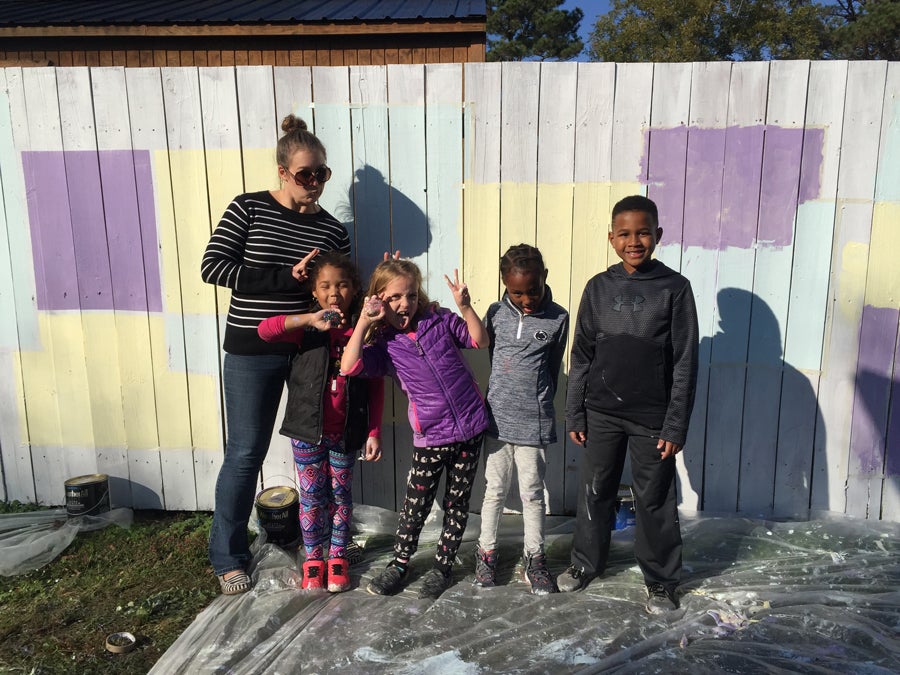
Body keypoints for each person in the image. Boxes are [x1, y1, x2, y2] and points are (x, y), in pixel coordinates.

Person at [201, 115, 350, 595]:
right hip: (253, 347)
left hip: (311, 353)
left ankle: (324, 546)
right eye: (306, 173)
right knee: (246, 453)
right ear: (283, 171)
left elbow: (338, 292)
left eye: (322, 173)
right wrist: (285, 278)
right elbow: (213, 267)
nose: (315, 182)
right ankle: (228, 557)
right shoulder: (248, 208)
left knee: (321, 449)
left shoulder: (332, 231)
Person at [557, 195, 699, 615]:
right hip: (601, 413)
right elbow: (581, 355)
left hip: (652, 418)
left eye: (642, 232)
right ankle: (586, 564)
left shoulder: (675, 289)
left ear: (658, 235)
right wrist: (575, 411)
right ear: (611, 238)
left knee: (653, 497)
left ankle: (661, 581)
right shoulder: (598, 288)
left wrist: (675, 425)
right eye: (624, 233)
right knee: (595, 491)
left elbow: (685, 361)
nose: (633, 241)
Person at [339, 259, 490, 600]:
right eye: (393, 297)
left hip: (470, 427)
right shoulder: (384, 345)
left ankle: (442, 567)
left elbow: (480, 341)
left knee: (457, 503)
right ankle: (400, 564)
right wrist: (364, 320)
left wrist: (464, 307)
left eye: (409, 295)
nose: (404, 304)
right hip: (432, 435)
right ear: (378, 300)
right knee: (415, 505)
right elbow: (349, 366)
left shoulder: (439, 320)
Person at [257, 251, 384, 593]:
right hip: (306, 431)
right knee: (313, 499)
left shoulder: (365, 332)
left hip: (346, 433)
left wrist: (373, 432)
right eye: (325, 285)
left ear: (354, 288)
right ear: (314, 291)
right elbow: (265, 330)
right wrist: (308, 320)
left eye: (342, 285)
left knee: (341, 497)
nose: (333, 292)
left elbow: (375, 384)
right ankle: (314, 560)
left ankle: (338, 557)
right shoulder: (307, 330)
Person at [474, 244, 568, 595]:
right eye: (517, 292)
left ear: (545, 278)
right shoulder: (496, 312)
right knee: (494, 490)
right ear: (504, 284)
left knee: (532, 493)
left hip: (534, 423)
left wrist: (540, 403)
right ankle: (486, 553)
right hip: (497, 420)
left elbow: (554, 369)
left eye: (533, 289)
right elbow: (491, 355)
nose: (527, 298)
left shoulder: (558, 317)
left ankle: (535, 557)